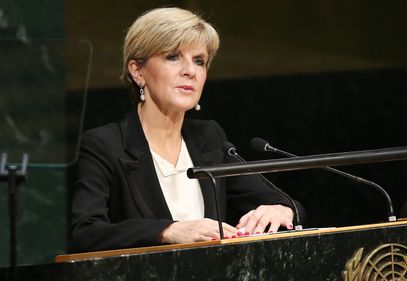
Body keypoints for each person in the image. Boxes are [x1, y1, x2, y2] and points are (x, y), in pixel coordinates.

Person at [70, 7, 306, 252]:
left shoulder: (209, 138)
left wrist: (281, 209)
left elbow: (288, 204)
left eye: (199, 61)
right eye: (173, 57)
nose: (190, 71)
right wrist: (167, 230)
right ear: (137, 71)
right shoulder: (105, 144)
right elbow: (86, 231)